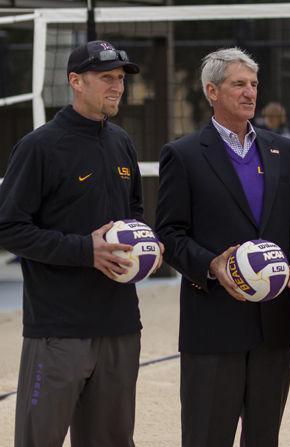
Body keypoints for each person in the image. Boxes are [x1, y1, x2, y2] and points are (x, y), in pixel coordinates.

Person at [156, 47, 290, 447]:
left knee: (264, 438)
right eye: (238, 84)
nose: (249, 93)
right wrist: (212, 266)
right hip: (213, 324)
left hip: (275, 325)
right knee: (207, 436)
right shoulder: (184, 154)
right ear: (211, 91)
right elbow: (170, 235)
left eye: (254, 84)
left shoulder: (282, 149)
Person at [0, 40, 154, 446]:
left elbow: (134, 212)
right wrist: (86, 251)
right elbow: (9, 227)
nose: (117, 87)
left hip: (120, 324)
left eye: (120, 79)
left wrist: (145, 247)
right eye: (106, 78)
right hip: (58, 329)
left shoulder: (122, 142)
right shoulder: (39, 147)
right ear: (75, 81)